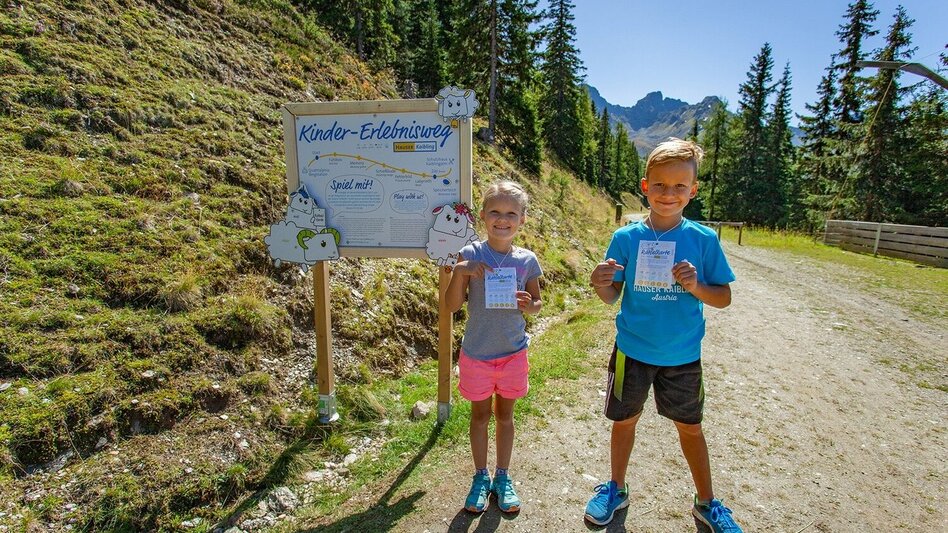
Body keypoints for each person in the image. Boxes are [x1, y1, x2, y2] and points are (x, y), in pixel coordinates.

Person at [584, 138, 743, 532]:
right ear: (644, 186)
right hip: (632, 351)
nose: (668, 194)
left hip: (682, 356)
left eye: (678, 186)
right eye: (659, 185)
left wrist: (696, 287)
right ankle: (616, 488)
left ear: (694, 190)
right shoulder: (626, 238)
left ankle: (706, 502)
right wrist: (598, 282)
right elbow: (611, 296)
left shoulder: (704, 240)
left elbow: (723, 298)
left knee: (691, 428)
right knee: (624, 422)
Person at [445, 180, 543, 514]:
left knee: (505, 415)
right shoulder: (470, 254)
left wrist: (529, 305)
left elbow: (538, 303)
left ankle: (503, 476)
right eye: (495, 212)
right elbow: (452, 306)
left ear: (523, 219)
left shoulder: (527, 260)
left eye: (511, 213)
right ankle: (480, 476)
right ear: (482, 216)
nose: (503, 219)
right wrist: (461, 272)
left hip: (513, 352)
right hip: (477, 354)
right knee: (479, 415)